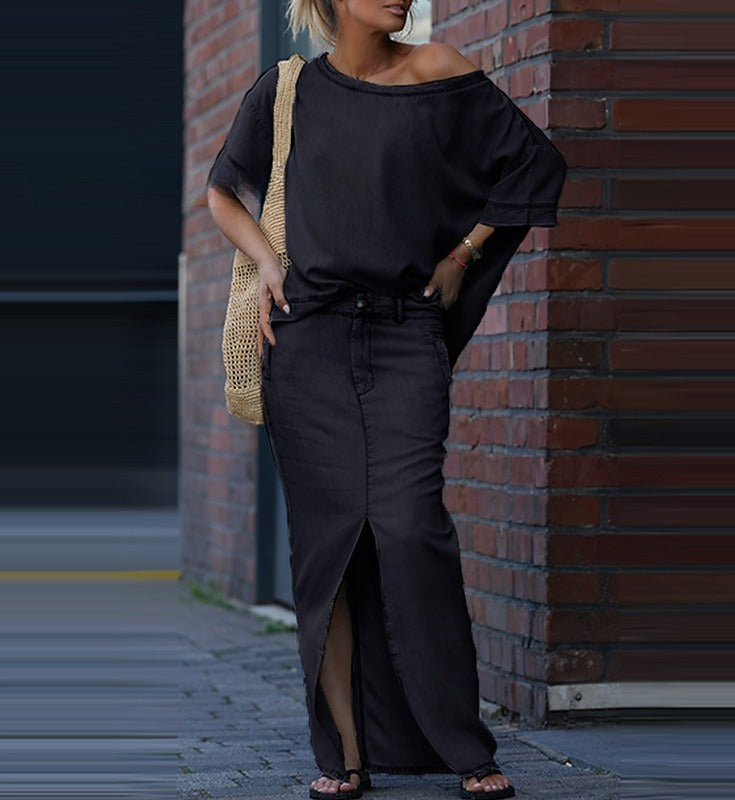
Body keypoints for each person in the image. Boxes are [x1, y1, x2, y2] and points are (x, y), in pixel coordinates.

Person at [205, 2, 567, 798]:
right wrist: (268, 263)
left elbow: (535, 165)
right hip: (306, 342)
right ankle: (346, 756)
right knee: (327, 548)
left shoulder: (440, 72)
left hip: (406, 335)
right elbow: (223, 192)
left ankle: (464, 745)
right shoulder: (287, 88)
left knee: (411, 529)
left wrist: (463, 253)